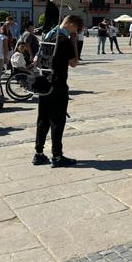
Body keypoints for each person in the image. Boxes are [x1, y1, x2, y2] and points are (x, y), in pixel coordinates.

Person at [33, 14, 82, 167]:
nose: (76, 32)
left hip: (44, 82)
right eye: (76, 29)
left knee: (43, 119)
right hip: (58, 84)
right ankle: (57, 156)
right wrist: (74, 42)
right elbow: (74, 63)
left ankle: (39, 153)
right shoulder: (63, 40)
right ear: (71, 24)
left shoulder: (48, 36)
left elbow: (37, 59)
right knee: (57, 121)